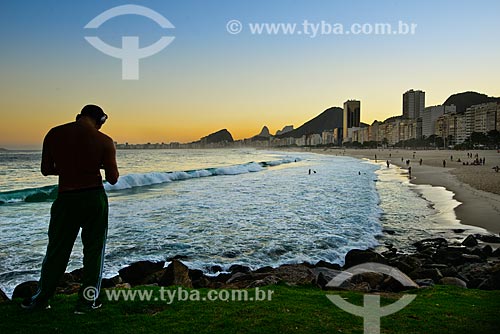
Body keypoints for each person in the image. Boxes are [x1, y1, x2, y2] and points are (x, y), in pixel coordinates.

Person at [21, 105, 119, 313]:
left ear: (79, 116)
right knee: (94, 252)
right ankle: (86, 303)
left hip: (65, 199)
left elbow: (46, 170)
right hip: (93, 198)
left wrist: (68, 168)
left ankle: (40, 300)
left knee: (56, 251)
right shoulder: (104, 141)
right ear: (100, 120)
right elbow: (113, 178)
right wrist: (96, 166)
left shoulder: (54, 134)